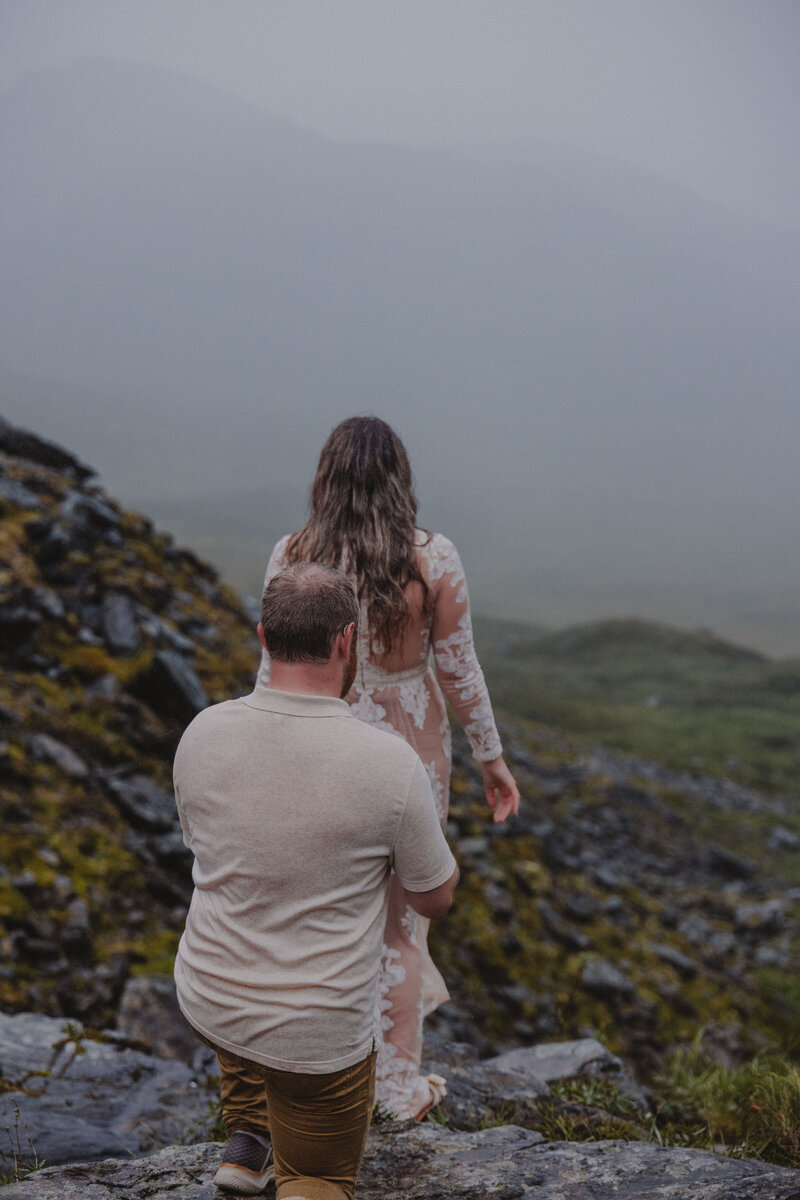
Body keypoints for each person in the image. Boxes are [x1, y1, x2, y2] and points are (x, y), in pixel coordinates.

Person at [255, 416, 520, 1120]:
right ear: (400, 478)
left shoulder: (291, 555)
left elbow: (273, 668)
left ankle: (320, 1086)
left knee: (322, 919)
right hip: (412, 750)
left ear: (326, 476)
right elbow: (459, 669)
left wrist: (260, 751)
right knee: (401, 927)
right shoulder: (433, 559)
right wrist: (492, 759)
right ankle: (397, 1091)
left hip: (319, 744)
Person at [173, 562, 458, 1199]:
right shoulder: (389, 763)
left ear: (264, 637)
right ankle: (300, 1171)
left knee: (247, 1016)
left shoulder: (201, 731)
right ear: (345, 641)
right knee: (320, 1175)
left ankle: (249, 1142)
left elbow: (206, 849)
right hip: (314, 1032)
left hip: (210, 995)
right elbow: (434, 899)